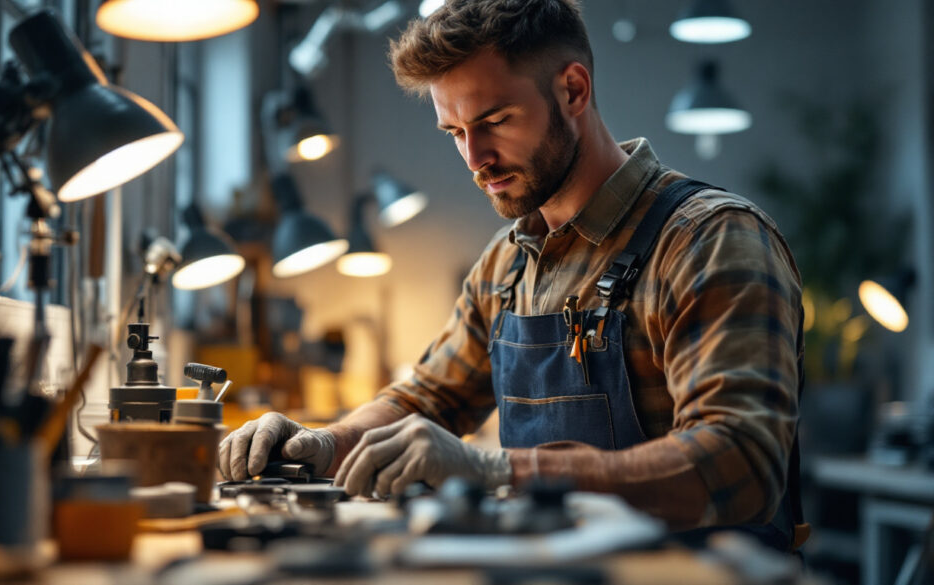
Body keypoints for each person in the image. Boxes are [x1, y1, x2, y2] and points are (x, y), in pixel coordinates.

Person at [219, 0, 806, 550]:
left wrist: (499, 470)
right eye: (455, 133)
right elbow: (430, 398)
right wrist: (325, 442)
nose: (475, 158)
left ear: (573, 90)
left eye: (495, 120)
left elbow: (741, 464)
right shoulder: (508, 262)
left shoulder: (710, 240)